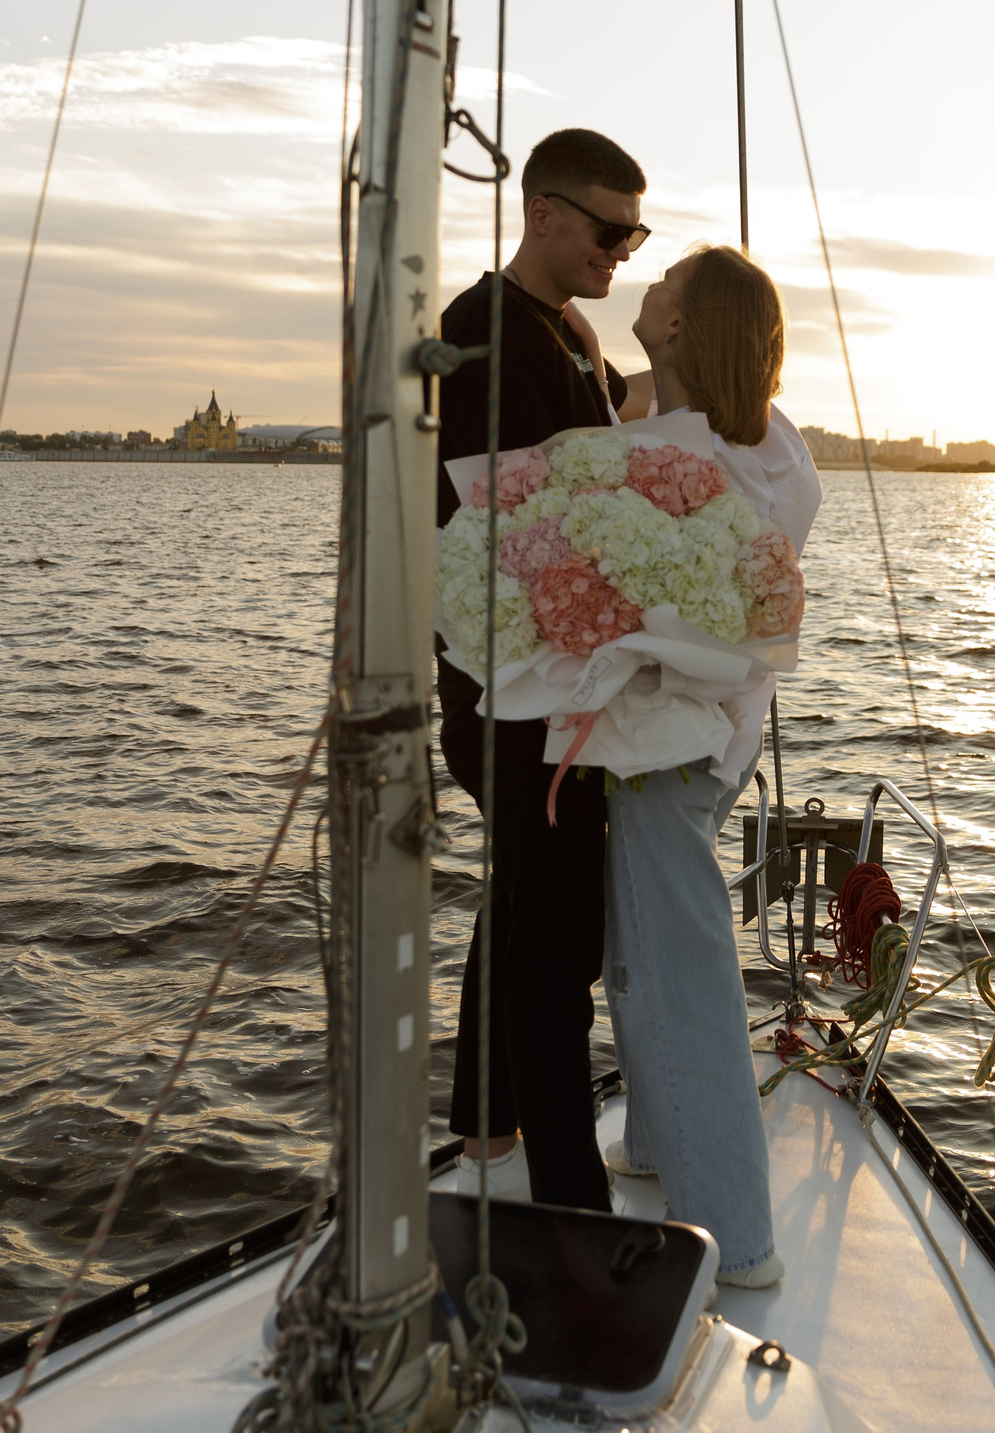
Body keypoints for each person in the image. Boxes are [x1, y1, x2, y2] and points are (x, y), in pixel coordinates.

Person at [436, 127, 651, 1211]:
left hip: (556, 680)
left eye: (635, 232)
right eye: (609, 230)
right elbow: (529, 495)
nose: (622, 251)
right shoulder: (483, 327)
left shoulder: (565, 327)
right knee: (554, 935)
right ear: (543, 213)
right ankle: (568, 1191)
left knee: (523, 897)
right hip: (508, 687)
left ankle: (482, 1127)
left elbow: (613, 421)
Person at [603, 245, 819, 1288]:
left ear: (683, 325)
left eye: (665, 288)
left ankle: (736, 1239)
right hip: (724, 737)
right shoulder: (778, 451)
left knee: (680, 975)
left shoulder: (670, 460)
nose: (645, 294)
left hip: (660, 741)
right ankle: (651, 1146)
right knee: (640, 948)